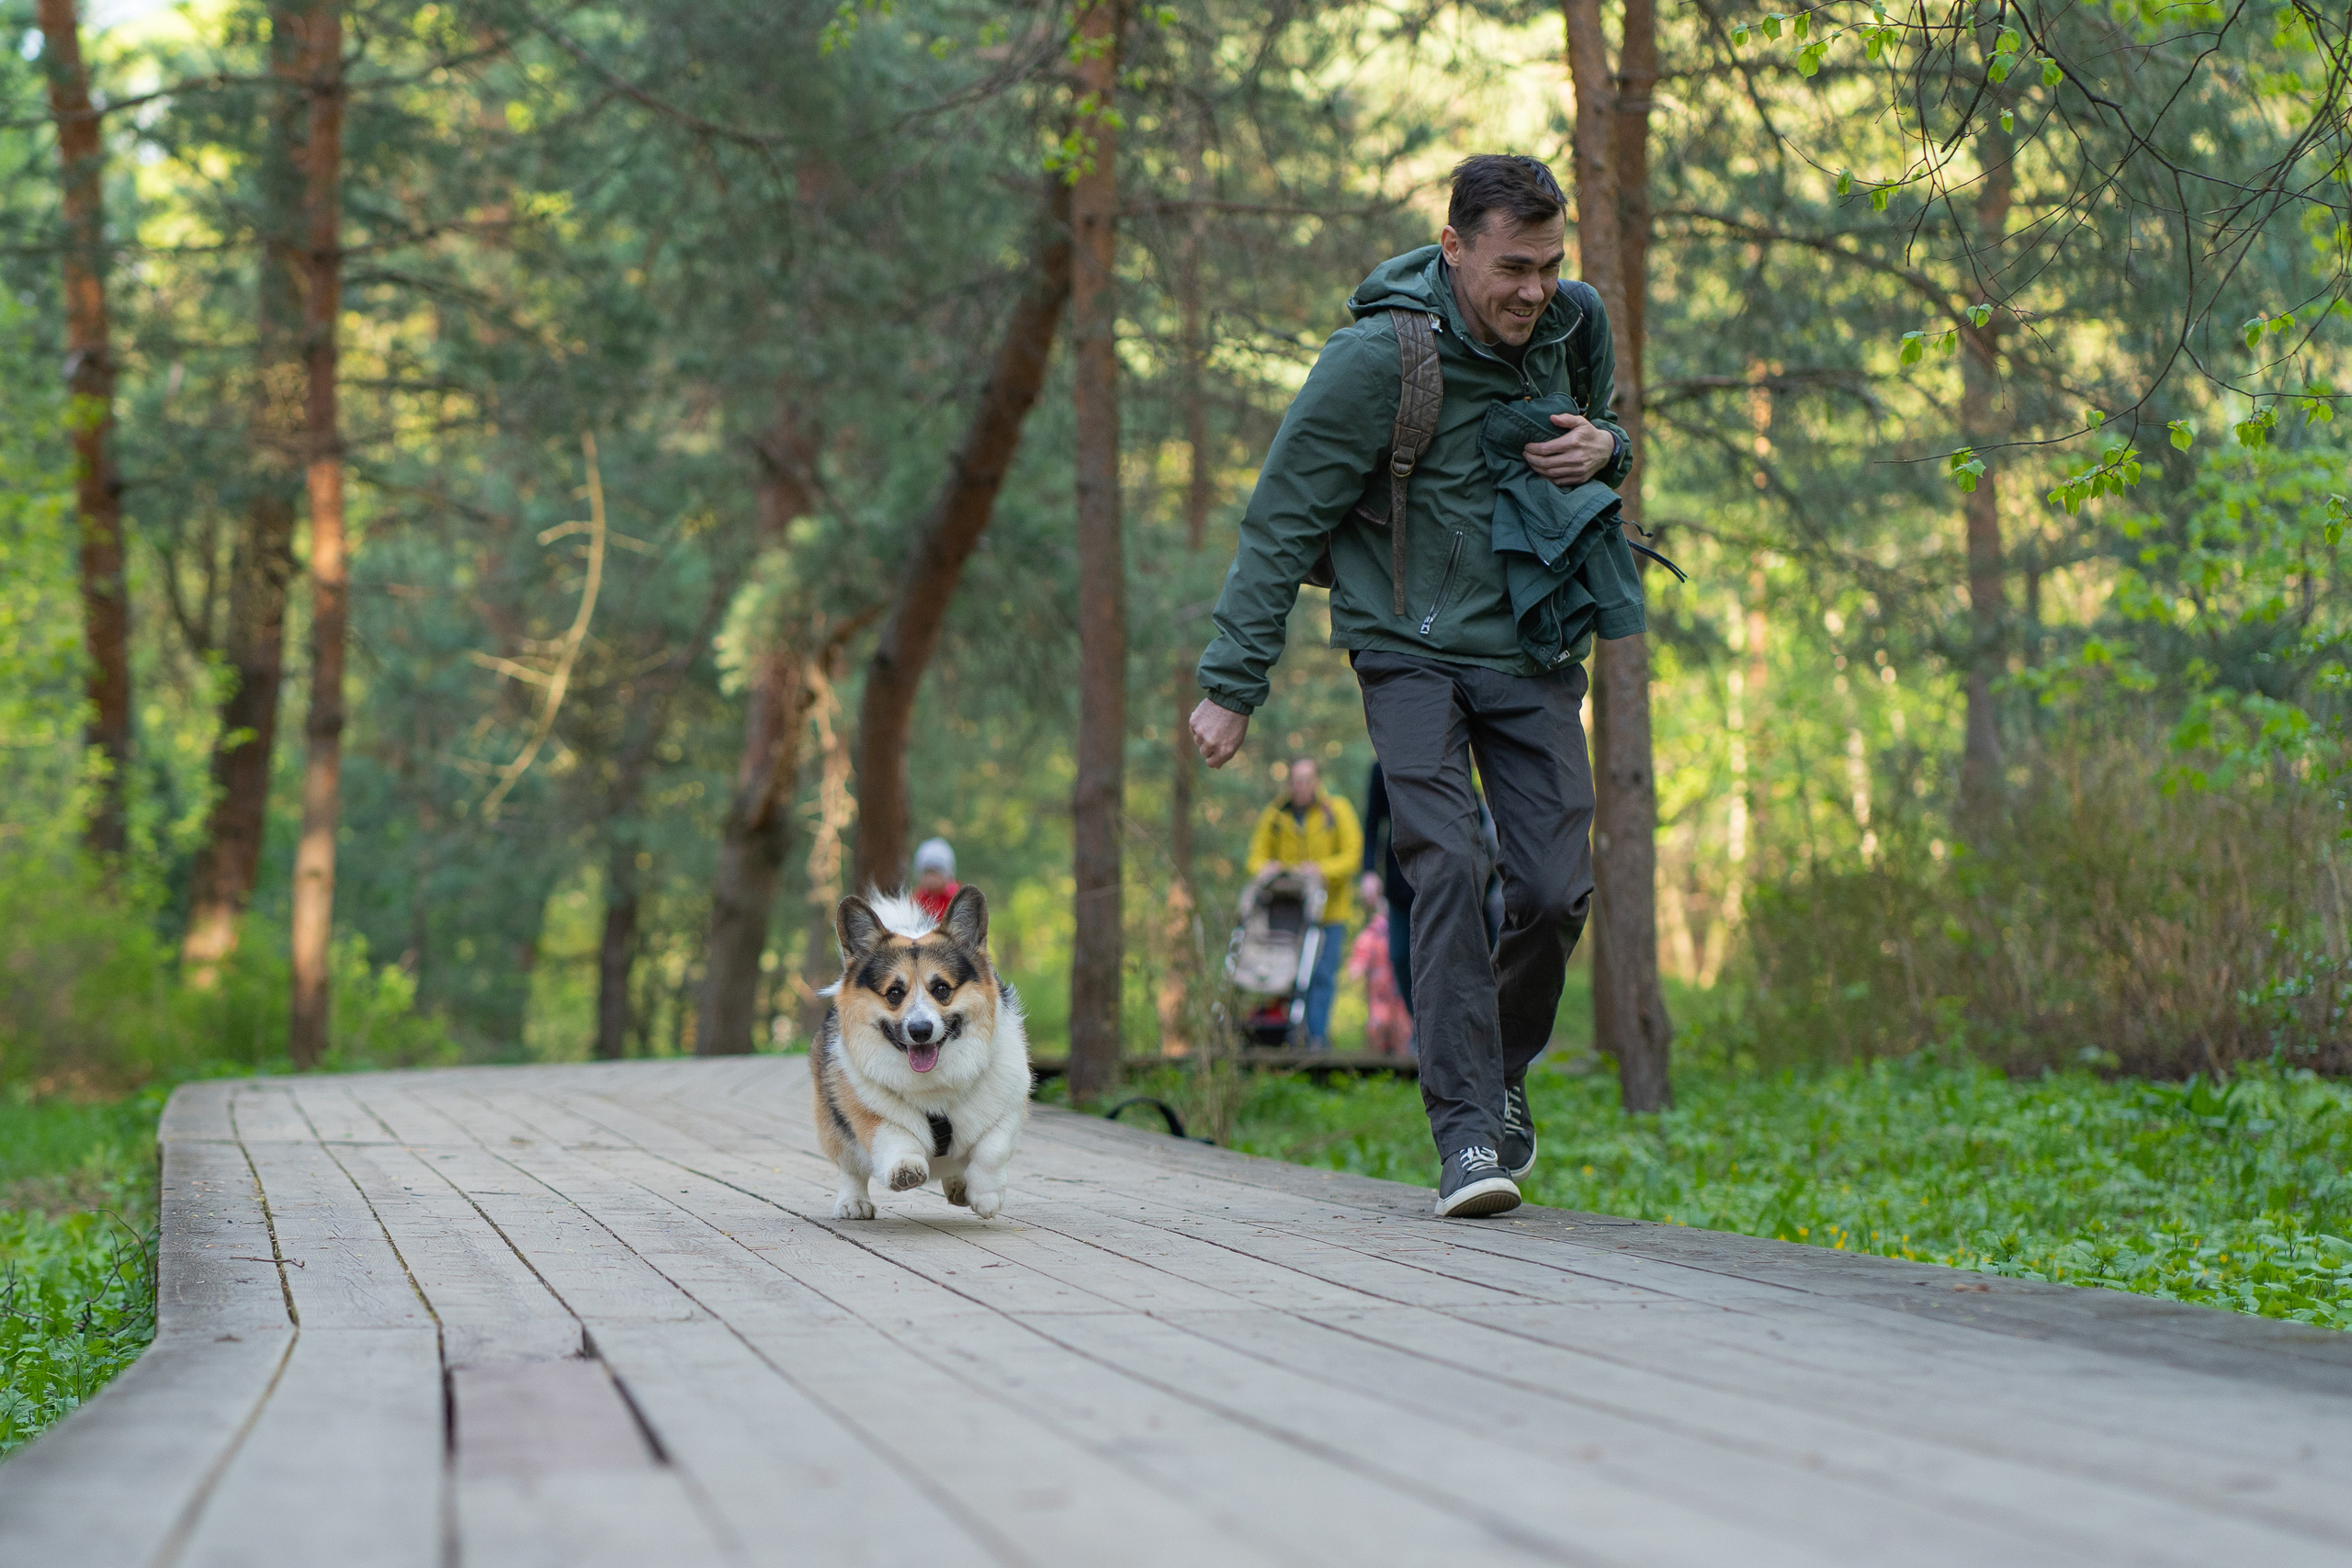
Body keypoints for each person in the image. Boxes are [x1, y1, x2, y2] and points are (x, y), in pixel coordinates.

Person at [1189, 154, 1645, 1219]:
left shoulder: (1573, 324)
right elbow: (1282, 518)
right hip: (1406, 645)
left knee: (1551, 888)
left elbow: (1603, 429)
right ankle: (1466, 1136)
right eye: (1511, 267)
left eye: (1549, 264)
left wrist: (1606, 447)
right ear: (1452, 249)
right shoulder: (1376, 360)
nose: (1533, 289)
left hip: (1529, 645)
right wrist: (1232, 682)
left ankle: (1499, 1069)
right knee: (1446, 861)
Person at [1244, 757, 1363, 1051]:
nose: (1302, 786)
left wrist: (1321, 870)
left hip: (1329, 911)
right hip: (1289, 913)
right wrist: (1268, 868)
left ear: (1317, 781)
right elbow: (1255, 857)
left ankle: (1316, 1040)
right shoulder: (1276, 815)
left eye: (1308, 779)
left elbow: (1351, 856)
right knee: (1287, 975)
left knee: (1322, 974)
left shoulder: (1336, 811)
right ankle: (1284, 1037)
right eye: (1297, 780)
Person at [1347, 897, 1413, 1057]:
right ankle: (1377, 1068)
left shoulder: (1407, 930)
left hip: (1401, 995)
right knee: (1377, 1026)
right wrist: (1357, 967)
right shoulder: (1372, 934)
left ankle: (1403, 1068)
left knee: (1403, 1029)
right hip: (1379, 995)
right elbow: (1360, 955)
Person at [910, 838, 960, 921]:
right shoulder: (916, 900)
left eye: (936, 872)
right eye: (927, 872)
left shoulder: (956, 899)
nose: (931, 879)